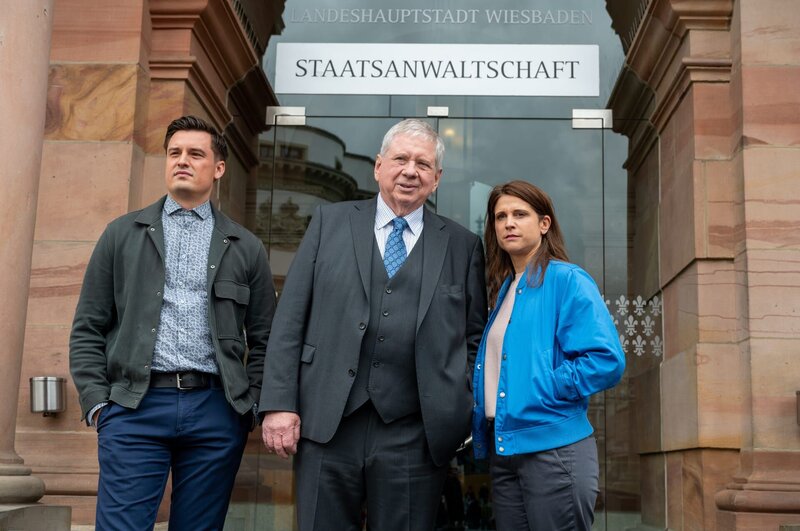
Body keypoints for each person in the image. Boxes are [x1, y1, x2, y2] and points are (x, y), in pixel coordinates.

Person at [260, 118, 487, 531]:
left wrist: (457, 404)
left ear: (436, 179)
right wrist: (279, 403)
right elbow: (290, 318)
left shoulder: (462, 245)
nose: (410, 170)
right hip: (326, 420)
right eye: (400, 158)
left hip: (414, 433)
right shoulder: (330, 222)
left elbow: (473, 337)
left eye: (422, 164)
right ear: (379, 166)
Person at [69, 115, 276, 530]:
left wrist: (249, 404)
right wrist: (97, 401)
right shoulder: (121, 234)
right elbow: (88, 326)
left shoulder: (245, 247)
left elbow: (266, 338)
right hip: (133, 407)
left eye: (195, 154)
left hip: (215, 410)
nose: (182, 161)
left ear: (218, 169)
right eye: (174, 153)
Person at [471, 180, 625, 530]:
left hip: (555, 453)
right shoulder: (506, 289)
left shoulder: (566, 280)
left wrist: (545, 385)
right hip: (505, 452)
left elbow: (606, 360)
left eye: (519, 214)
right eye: (500, 216)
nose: (508, 222)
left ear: (544, 224)